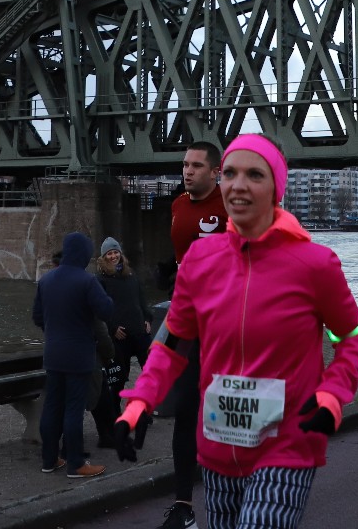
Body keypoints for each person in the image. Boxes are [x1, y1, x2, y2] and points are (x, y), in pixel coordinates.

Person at [114, 135, 358, 529]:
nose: (238, 185)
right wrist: (140, 401)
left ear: (276, 188)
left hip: (286, 447)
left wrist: (332, 395)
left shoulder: (315, 264)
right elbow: (173, 344)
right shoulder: (199, 261)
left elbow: (351, 336)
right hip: (218, 448)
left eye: (255, 175)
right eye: (230, 173)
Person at [155, 141, 226, 529]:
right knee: (184, 410)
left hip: (226, 323)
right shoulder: (178, 205)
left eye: (197, 166)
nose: (188, 171)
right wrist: (169, 267)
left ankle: (246, 492)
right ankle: (183, 505)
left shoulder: (230, 204)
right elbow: (184, 249)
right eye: (185, 164)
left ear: (215, 172)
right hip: (189, 323)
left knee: (224, 409)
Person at [32, 231, 115, 479]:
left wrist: (55, 330)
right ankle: (76, 464)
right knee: (73, 409)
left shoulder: (46, 280)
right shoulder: (87, 281)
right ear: (84, 254)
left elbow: (37, 317)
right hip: (79, 355)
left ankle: (49, 459)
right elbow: (106, 310)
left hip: (53, 353)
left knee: (52, 406)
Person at [91, 236, 151, 448]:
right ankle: (116, 416)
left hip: (139, 332)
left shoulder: (131, 275)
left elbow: (141, 299)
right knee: (118, 377)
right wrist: (112, 328)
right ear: (104, 257)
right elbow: (100, 309)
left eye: (115, 252)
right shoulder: (100, 280)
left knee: (149, 372)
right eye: (109, 253)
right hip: (119, 335)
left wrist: (147, 318)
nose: (113, 256)